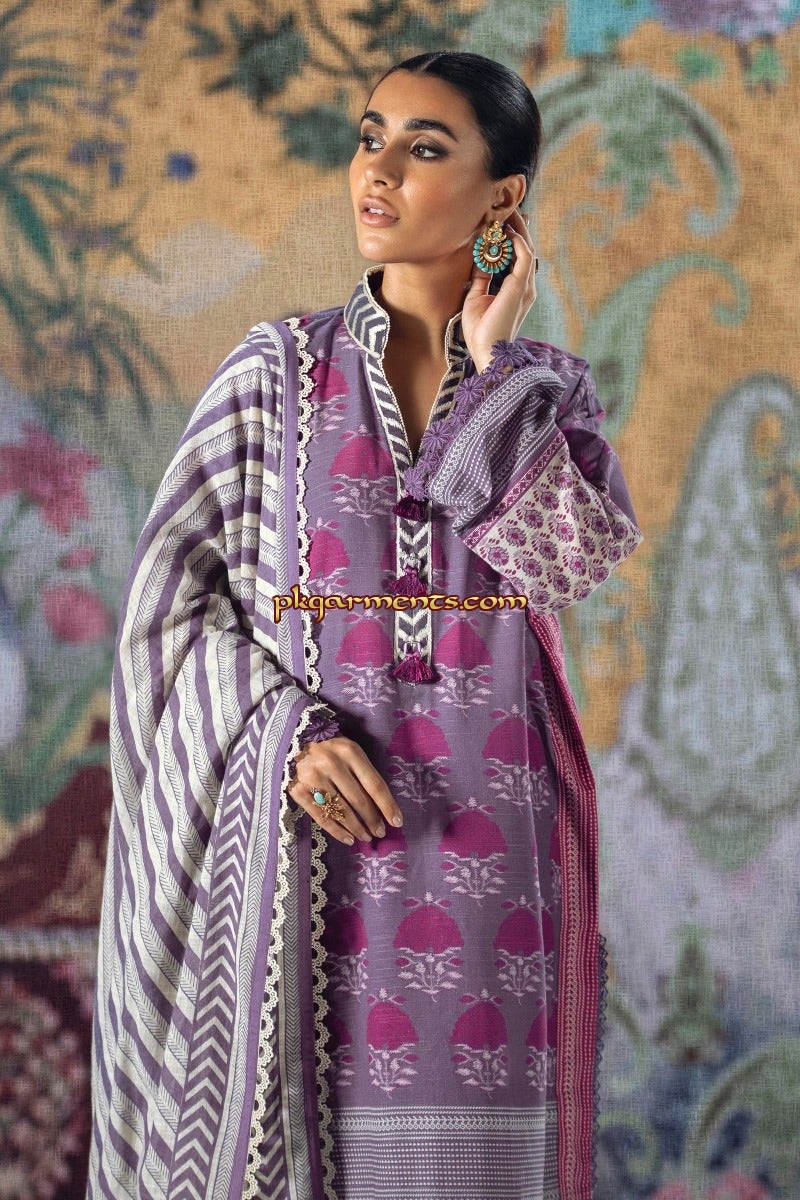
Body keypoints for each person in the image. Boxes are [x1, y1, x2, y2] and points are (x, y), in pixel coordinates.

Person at [88, 50, 641, 1200]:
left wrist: (486, 367)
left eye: (423, 148)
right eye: (369, 137)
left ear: (501, 198)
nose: (376, 172)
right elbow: (167, 616)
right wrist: (284, 736)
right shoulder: (272, 377)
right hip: (309, 863)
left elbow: (569, 564)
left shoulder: (542, 392)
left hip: (495, 874)